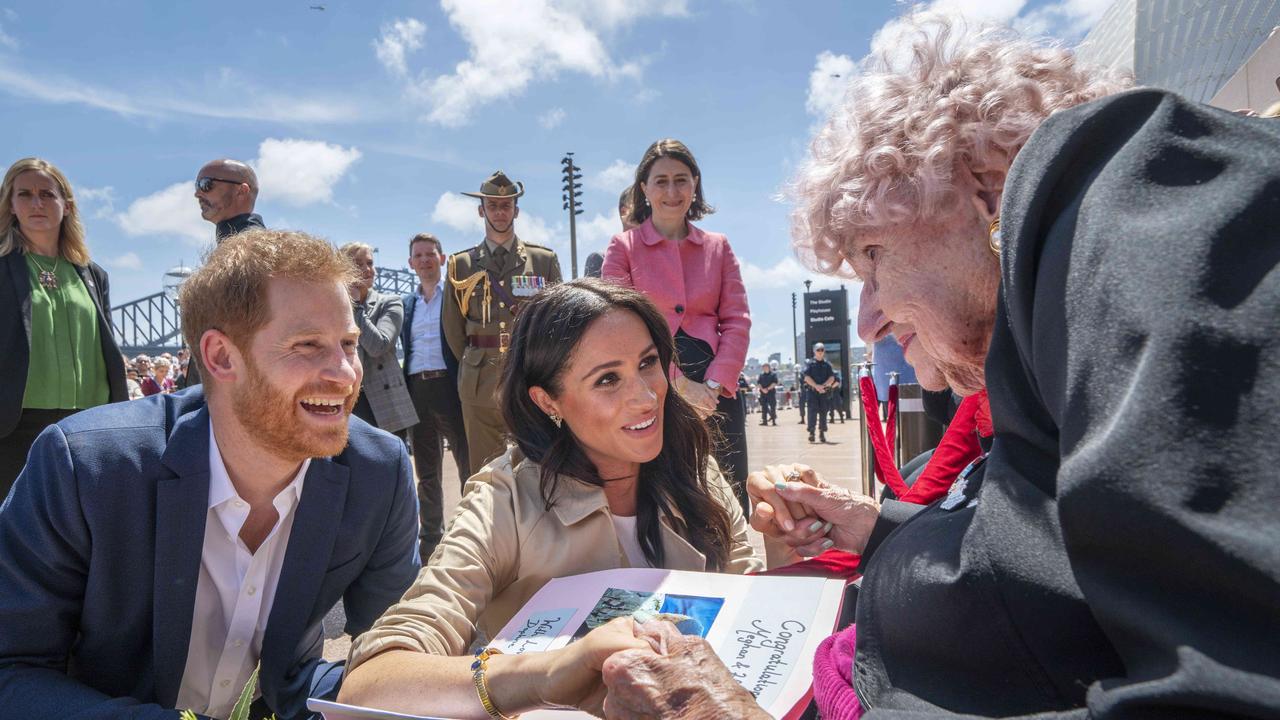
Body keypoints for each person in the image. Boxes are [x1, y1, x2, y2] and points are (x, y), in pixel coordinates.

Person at [599, 15, 1280, 720]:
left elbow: (1223, 689)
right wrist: (882, 530)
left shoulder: (1146, 224)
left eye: (871, 257)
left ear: (981, 188)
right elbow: (1065, 538)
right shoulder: (1055, 281)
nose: (867, 320)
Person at [0, 228, 420, 719]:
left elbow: (390, 658)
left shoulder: (378, 472)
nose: (346, 373)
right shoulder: (86, 468)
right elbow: (13, 670)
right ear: (221, 356)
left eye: (348, 343)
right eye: (308, 345)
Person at [339, 278, 761, 719]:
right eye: (608, 379)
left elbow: (761, 609)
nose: (646, 396)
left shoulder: (694, 468)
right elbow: (370, 683)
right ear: (547, 402)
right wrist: (547, 674)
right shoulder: (504, 500)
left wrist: (793, 539)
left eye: (648, 362)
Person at [602, 139, 752, 511]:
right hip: (650, 383)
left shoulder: (719, 246)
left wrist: (713, 386)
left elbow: (737, 320)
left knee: (728, 493)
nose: (672, 191)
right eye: (661, 181)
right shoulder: (622, 247)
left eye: (682, 180)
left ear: (695, 184)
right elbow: (616, 325)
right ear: (644, 189)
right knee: (663, 496)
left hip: (716, 387)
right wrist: (678, 383)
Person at [0, 157, 127, 499]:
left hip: (89, 423)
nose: (37, 203)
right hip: (14, 426)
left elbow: (105, 346)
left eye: (47, 194)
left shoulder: (93, 274)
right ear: (10, 205)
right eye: (24, 194)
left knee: (81, 530)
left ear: (66, 205)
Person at [443, 170, 563, 475]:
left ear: (516, 211)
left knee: (539, 468)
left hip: (527, 378)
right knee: (485, 473)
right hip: (479, 380)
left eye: (506, 205)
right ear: (481, 210)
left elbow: (556, 323)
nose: (499, 212)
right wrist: (475, 361)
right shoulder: (461, 264)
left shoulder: (543, 260)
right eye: (493, 206)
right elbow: (453, 329)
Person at [400, 232, 469, 560]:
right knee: (426, 472)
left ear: (442, 259)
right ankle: (430, 543)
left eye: (431, 254)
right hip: (416, 389)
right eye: (419, 255)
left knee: (467, 464)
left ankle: (470, 535)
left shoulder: (455, 296)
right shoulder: (406, 304)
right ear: (411, 263)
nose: (425, 260)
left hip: (449, 387)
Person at [342, 242, 419, 436]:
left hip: (386, 404)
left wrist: (356, 306)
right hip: (348, 400)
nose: (367, 270)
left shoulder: (390, 302)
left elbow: (379, 346)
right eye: (358, 264)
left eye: (370, 263)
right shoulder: (331, 309)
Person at [195, 158, 264, 243]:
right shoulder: (263, 245)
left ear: (242, 190)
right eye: (197, 186)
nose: (197, 194)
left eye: (206, 184)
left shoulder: (254, 248)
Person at [802, 342, 835, 443]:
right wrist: (816, 386)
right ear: (814, 351)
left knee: (823, 413)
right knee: (812, 413)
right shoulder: (810, 364)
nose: (820, 352)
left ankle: (822, 433)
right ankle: (812, 432)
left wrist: (824, 386)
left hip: (823, 393)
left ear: (824, 351)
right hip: (812, 392)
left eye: (822, 350)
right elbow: (806, 377)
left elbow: (832, 377)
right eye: (818, 350)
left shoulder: (827, 365)